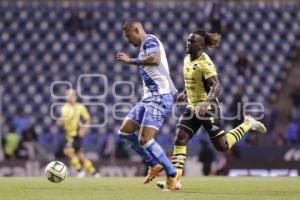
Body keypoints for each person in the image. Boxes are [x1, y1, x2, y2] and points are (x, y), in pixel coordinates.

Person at [156, 30, 267, 190]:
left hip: (208, 108)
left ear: (200, 45)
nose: (188, 43)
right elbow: (193, 81)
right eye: (188, 40)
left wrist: (205, 103)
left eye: (192, 41)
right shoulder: (187, 59)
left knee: (222, 146)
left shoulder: (205, 63)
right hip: (192, 107)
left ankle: (248, 124)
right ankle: (172, 182)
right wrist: (185, 93)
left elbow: (217, 86)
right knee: (180, 138)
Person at [116, 19, 178, 189]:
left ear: (137, 30)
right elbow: (163, 71)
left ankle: (172, 176)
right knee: (124, 132)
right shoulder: (145, 46)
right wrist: (175, 93)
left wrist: (131, 61)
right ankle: (153, 164)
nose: (128, 40)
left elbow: (156, 60)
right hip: (149, 98)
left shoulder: (149, 41)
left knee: (144, 139)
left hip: (158, 98)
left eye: (129, 36)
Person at [56, 89, 99, 177]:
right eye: (68, 95)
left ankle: (85, 171)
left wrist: (83, 129)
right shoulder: (64, 108)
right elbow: (62, 121)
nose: (70, 97)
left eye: (72, 95)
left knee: (73, 153)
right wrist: (59, 122)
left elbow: (88, 120)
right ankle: (91, 172)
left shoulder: (80, 107)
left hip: (77, 134)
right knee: (75, 153)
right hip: (69, 134)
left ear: (75, 97)